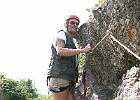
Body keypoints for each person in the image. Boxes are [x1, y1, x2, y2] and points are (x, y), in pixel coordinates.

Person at [47, 15, 91, 100]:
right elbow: (60, 51)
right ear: (66, 24)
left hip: (68, 79)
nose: (75, 25)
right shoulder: (61, 34)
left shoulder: (72, 41)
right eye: (72, 22)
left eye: (77, 23)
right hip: (59, 78)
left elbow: (76, 50)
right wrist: (82, 50)